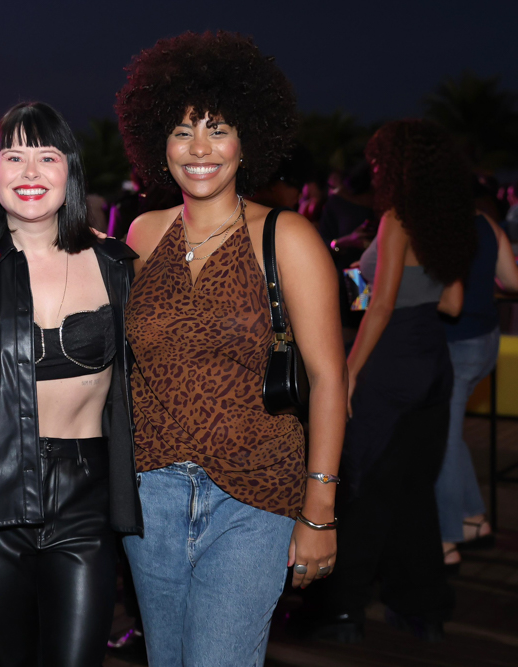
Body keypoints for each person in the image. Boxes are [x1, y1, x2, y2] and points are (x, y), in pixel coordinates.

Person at [115, 32, 347, 665]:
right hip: (149, 493)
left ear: (248, 141)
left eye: (218, 130)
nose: (199, 149)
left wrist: (320, 509)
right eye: (182, 131)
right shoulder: (141, 235)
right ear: (158, 144)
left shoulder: (288, 237)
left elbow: (330, 378)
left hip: (255, 495)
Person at [0, 101, 141, 667]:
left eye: (47, 157)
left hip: (86, 498)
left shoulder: (117, 266)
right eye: (13, 157)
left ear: (70, 170)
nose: (30, 172)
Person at [306, 119, 474, 642]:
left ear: (398, 166)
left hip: (391, 361)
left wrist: (349, 373)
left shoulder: (397, 219)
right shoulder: (447, 221)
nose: (373, 169)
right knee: (414, 491)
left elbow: (379, 307)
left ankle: (340, 614)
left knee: (364, 485)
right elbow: (453, 303)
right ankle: (422, 608)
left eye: (379, 161)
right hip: (433, 362)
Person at [437, 197, 518, 570]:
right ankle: (473, 519)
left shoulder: (435, 222)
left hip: (456, 342)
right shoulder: (486, 222)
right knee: (449, 434)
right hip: (486, 341)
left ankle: (447, 537)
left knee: (444, 440)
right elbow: (512, 281)